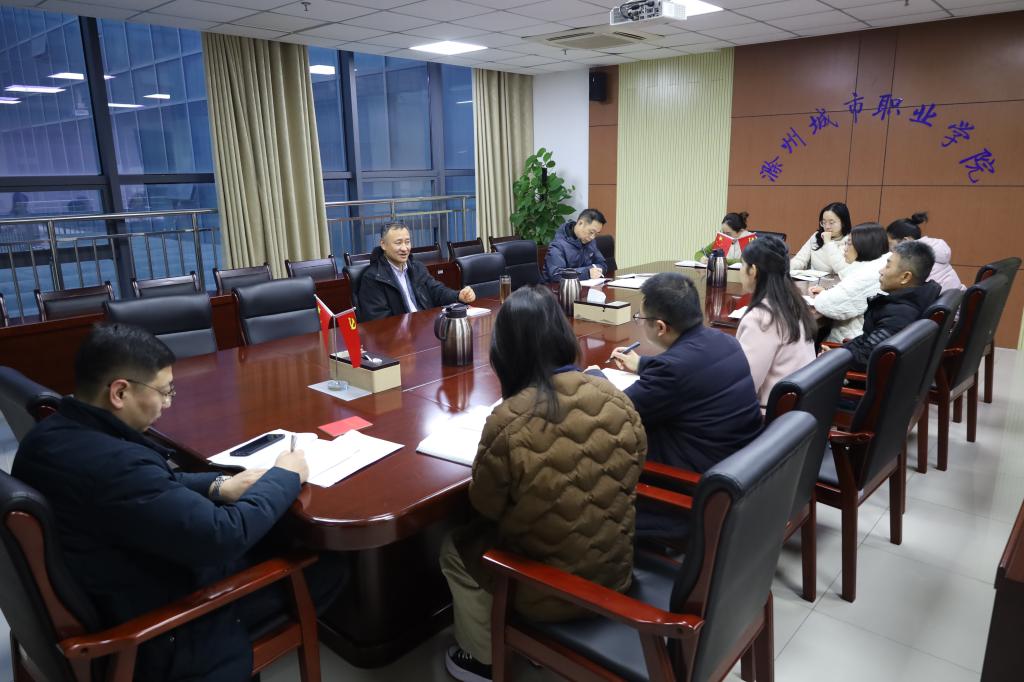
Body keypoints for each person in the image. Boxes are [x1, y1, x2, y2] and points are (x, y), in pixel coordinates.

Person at [12, 323, 346, 682]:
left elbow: (143, 490)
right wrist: (285, 475)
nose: (168, 404)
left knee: (275, 529)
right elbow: (223, 536)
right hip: (158, 631)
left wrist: (218, 485)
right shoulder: (116, 465)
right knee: (326, 562)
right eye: (164, 392)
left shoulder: (48, 435)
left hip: (109, 579)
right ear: (120, 392)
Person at [440, 286, 646, 682]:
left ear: (505, 353)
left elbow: (484, 505)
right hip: (615, 571)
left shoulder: (509, 420)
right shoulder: (613, 395)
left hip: (547, 594)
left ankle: (484, 661)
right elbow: (637, 461)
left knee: (455, 547)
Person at [606, 273, 762, 533]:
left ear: (660, 327)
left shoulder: (672, 371)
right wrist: (642, 364)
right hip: (739, 467)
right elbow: (691, 369)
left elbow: (616, 410)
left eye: (641, 319)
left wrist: (596, 378)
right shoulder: (725, 341)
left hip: (695, 486)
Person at [736, 236, 817, 409]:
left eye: (742, 265)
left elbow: (744, 387)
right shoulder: (794, 302)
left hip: (771, 414)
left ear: (753, 270)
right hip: (799, 411)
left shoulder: (761, 318)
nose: (740, 271)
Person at [839, 240, 940, 371]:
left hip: (863, 377)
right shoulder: (914, 300)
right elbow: (869, 343)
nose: (881, 271)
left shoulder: (899, 314)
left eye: (888, 266)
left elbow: (866, 357)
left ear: (905, 277)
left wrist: (834, 358)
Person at [359, 222, 476, 321]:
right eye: (398, 243)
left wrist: (458, 295)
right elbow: (380, 321)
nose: (405, 248)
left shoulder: (416, 267)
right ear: (383, 245)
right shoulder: (373, 278)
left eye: (407, 242)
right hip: (399, 336)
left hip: (424, 327)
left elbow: (436, 291)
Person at [809, 223, 891, 342]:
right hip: (867, 336)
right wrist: (826, 293)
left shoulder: (866, 275)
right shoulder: (879, 266)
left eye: (849, 243)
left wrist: (822, 296)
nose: (844, 248)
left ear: (863, 246)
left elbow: (829, 305)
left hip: (849, 342)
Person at [886, 211, 965, 292]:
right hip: (958, 298)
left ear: (905, 241)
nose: (888, 249)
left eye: (889, 243)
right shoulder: (933, 252)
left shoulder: (916, 260)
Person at [543, 208, 608, 282]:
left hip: (585, 286)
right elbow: (556, 274)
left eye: (596, 234)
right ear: (580, 223)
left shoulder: (590, 242)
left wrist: (598, 269)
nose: (592, 237)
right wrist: (587, 272)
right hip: (559, 288)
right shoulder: (558, 245)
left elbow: (602, 264)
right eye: (591, 232)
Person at [791, 201, 853, 276]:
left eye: (831, 223)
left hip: (838, 282)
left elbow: (841, 270)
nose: (827, 227)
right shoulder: (816, 236)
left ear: (843, 223)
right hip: (814, 281)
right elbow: (800, 260)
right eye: (824, 222)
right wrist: (787, 267)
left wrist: (828, 242)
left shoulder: (851, 241)